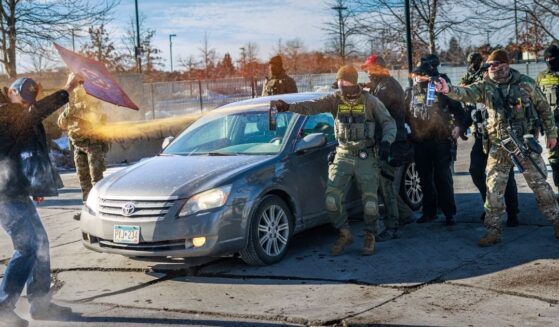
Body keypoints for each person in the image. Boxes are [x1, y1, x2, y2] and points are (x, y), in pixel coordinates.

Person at [435, 49, 559, 246]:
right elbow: (466, 93)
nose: (490, 69)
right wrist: (446, 89)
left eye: (494, 65)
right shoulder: (486, 86)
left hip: (523, 144)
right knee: (493, 188)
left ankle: (556, 221)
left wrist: (551, 134)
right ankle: (493, 230)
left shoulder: (525, 83)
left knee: (539, 185)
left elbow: (544, 108)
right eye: (489, 65)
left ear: (505, 65)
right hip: (498, 145)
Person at [271, 65, 396, 256]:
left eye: (345, 81)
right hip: (343, 154)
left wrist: (387, 142)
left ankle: (370, 234)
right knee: (331, 199)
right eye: (339, 82)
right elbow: (311, 106)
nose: (341, 85)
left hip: (365, 155)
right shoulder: (334, 100)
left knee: (370, 201)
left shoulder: (370, 101)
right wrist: (288, 107)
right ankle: (345, 233)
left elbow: (388, 122)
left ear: (353, 82)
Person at [0, 73, 84, 327]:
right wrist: (67, 88)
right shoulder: (5, 112)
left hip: (15, 191)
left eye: (33, 92)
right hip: (4, 195)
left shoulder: (17, 116)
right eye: (25, 92)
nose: (31, 97)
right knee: (27, 247)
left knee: (40, 245)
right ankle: (4, 308)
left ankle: (40, 303)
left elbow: (27, 151)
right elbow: (36, 113)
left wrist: (35, 183)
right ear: (11, 94)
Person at [405, 54, 465, 226]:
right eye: (415, 74)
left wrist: (459, 127)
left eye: (419, 74)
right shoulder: (410, 92)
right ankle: (429, 212)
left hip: (440, 140)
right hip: (420, 142)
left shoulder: (440, 89)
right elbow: (403, 115)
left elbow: (459, 111)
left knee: (442, 177)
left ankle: (449, 213)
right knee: (424, 178)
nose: (416, 77)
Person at [460, 52, 520, 226]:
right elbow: (471, 111)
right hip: (481, 138)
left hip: (502, 138)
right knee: (475, 170)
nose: (485, 74)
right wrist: (462, 127)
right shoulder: (478, 88)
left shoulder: (502, 87)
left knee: (506, 176)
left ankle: (512, 211)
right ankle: (489, 205)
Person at [360, 54, 415, 241]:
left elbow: (373, 104)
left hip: (391, 143)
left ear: (378, 69)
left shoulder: (388, 87)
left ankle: (392, 226)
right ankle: (405, 214)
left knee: (386, 186)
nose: (367, 73)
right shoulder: (382, 85)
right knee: (383, 185)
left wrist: (354, 91)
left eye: (369, 69)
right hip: (384, 142)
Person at [58, 85, 108, 220]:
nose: (75, 96)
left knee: (96, 179)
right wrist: (67, 112)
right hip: (78, 147)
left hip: (93, 146)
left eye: (78, 94)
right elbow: (61, 124)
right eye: (74, 94)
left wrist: (78, 109)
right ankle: (88, 209)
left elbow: (96, 120)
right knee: (83, 179)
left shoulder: (94, 104)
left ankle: (101, 209)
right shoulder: (70, 107)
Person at [537, 44, 559, 190]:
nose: (549, 60)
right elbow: (536, 101)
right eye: (546, 58)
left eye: (552, 57)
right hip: (551, 126)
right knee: (554, 159)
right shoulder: (541, 77)